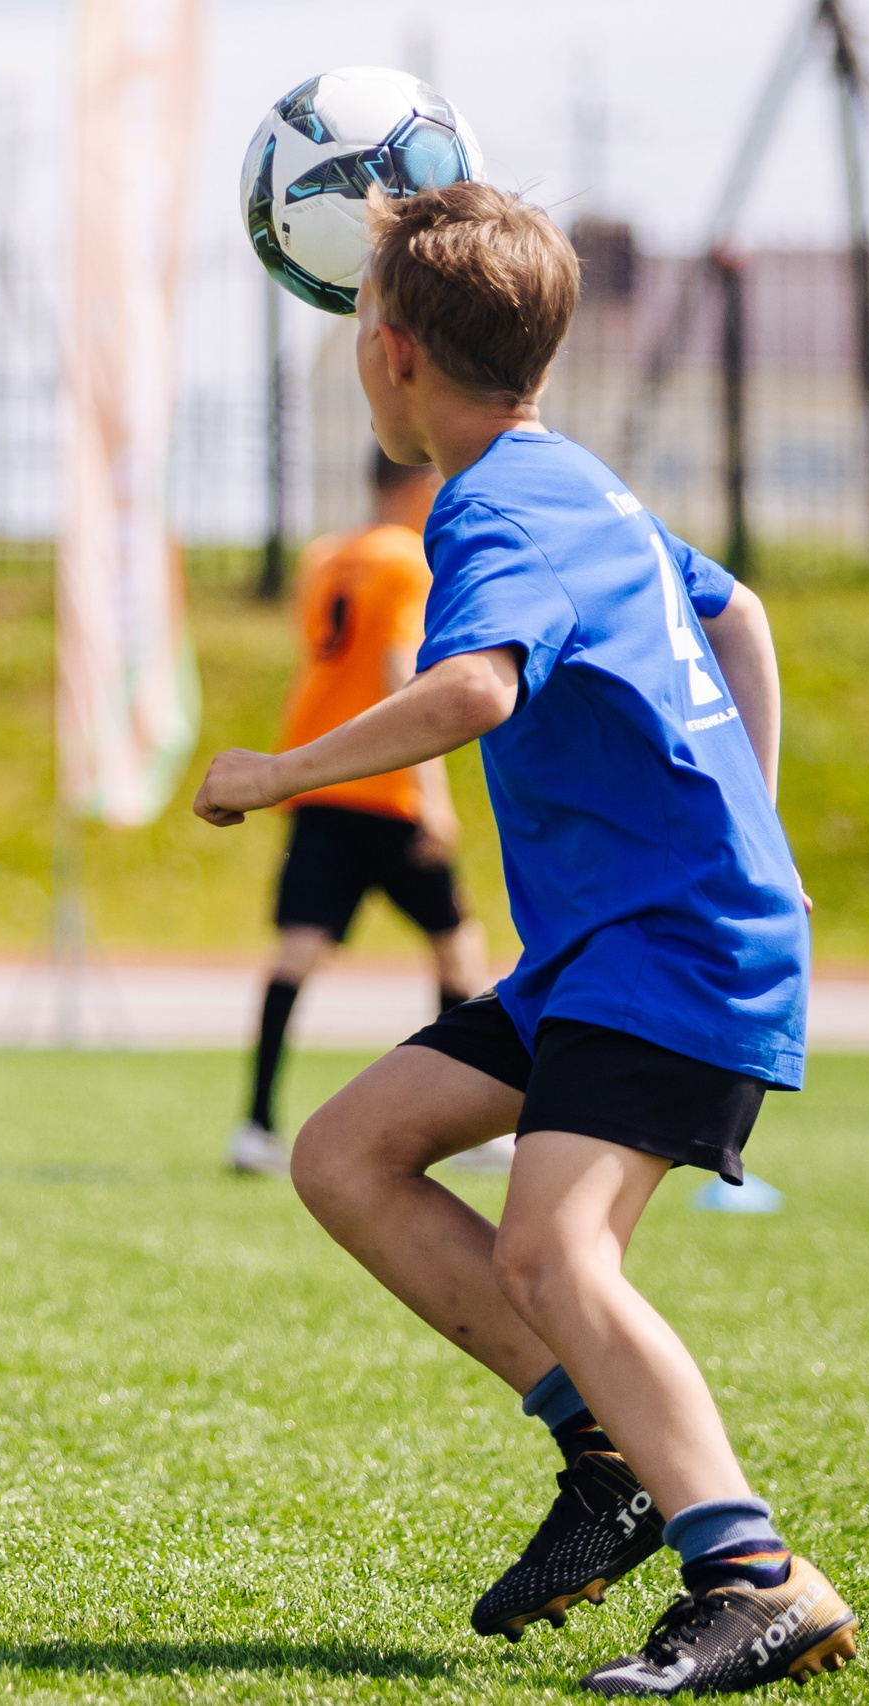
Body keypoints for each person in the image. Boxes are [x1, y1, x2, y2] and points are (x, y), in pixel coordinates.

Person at [194, 183, 856, 1694]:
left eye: (361, 317)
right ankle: (606, 1456)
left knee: (556, 1248)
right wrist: (763, 824)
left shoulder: (488, 504)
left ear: (396, 353)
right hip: (613, 950)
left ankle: (754, 1574)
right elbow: (738, 611)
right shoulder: (576, 478)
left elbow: (480, 690)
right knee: (347, 1151)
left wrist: (276, 774)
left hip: (668, 948)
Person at [230, 448, 485, 1178]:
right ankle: (460, 1129)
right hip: (384, 786)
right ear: (415, 485)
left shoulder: (323, 557)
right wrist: (431, 795)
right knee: (458, 948)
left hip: (318, 779)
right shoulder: (407, 560)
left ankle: (254, 1125)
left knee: (296, 954)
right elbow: (401, 676)